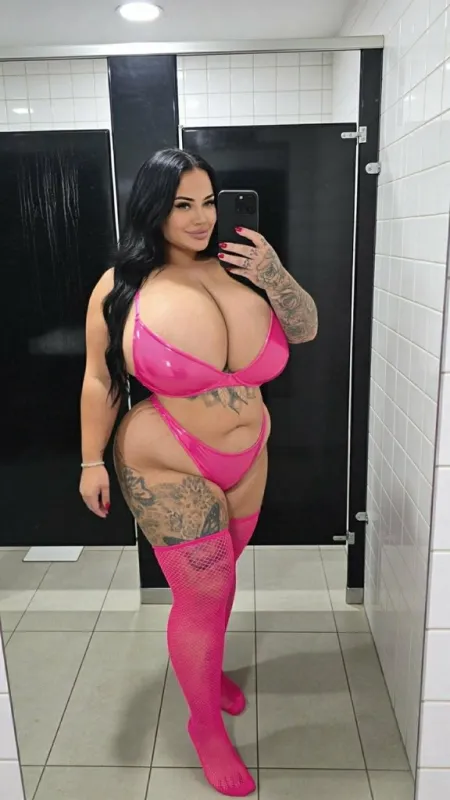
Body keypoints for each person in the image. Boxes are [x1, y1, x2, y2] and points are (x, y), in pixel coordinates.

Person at [80, 148, 318, 797]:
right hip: (165, 458)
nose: (201, 217)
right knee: (203, 592)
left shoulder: (242, 270)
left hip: (249, 455)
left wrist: (273, 273)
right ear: (153, 209)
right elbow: (100, 378)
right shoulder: (121, 285)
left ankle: (206, 674)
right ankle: (204, 726)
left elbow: (304, 329)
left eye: (208, 201)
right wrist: (90, 460)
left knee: (223, 579)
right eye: (182, 204)